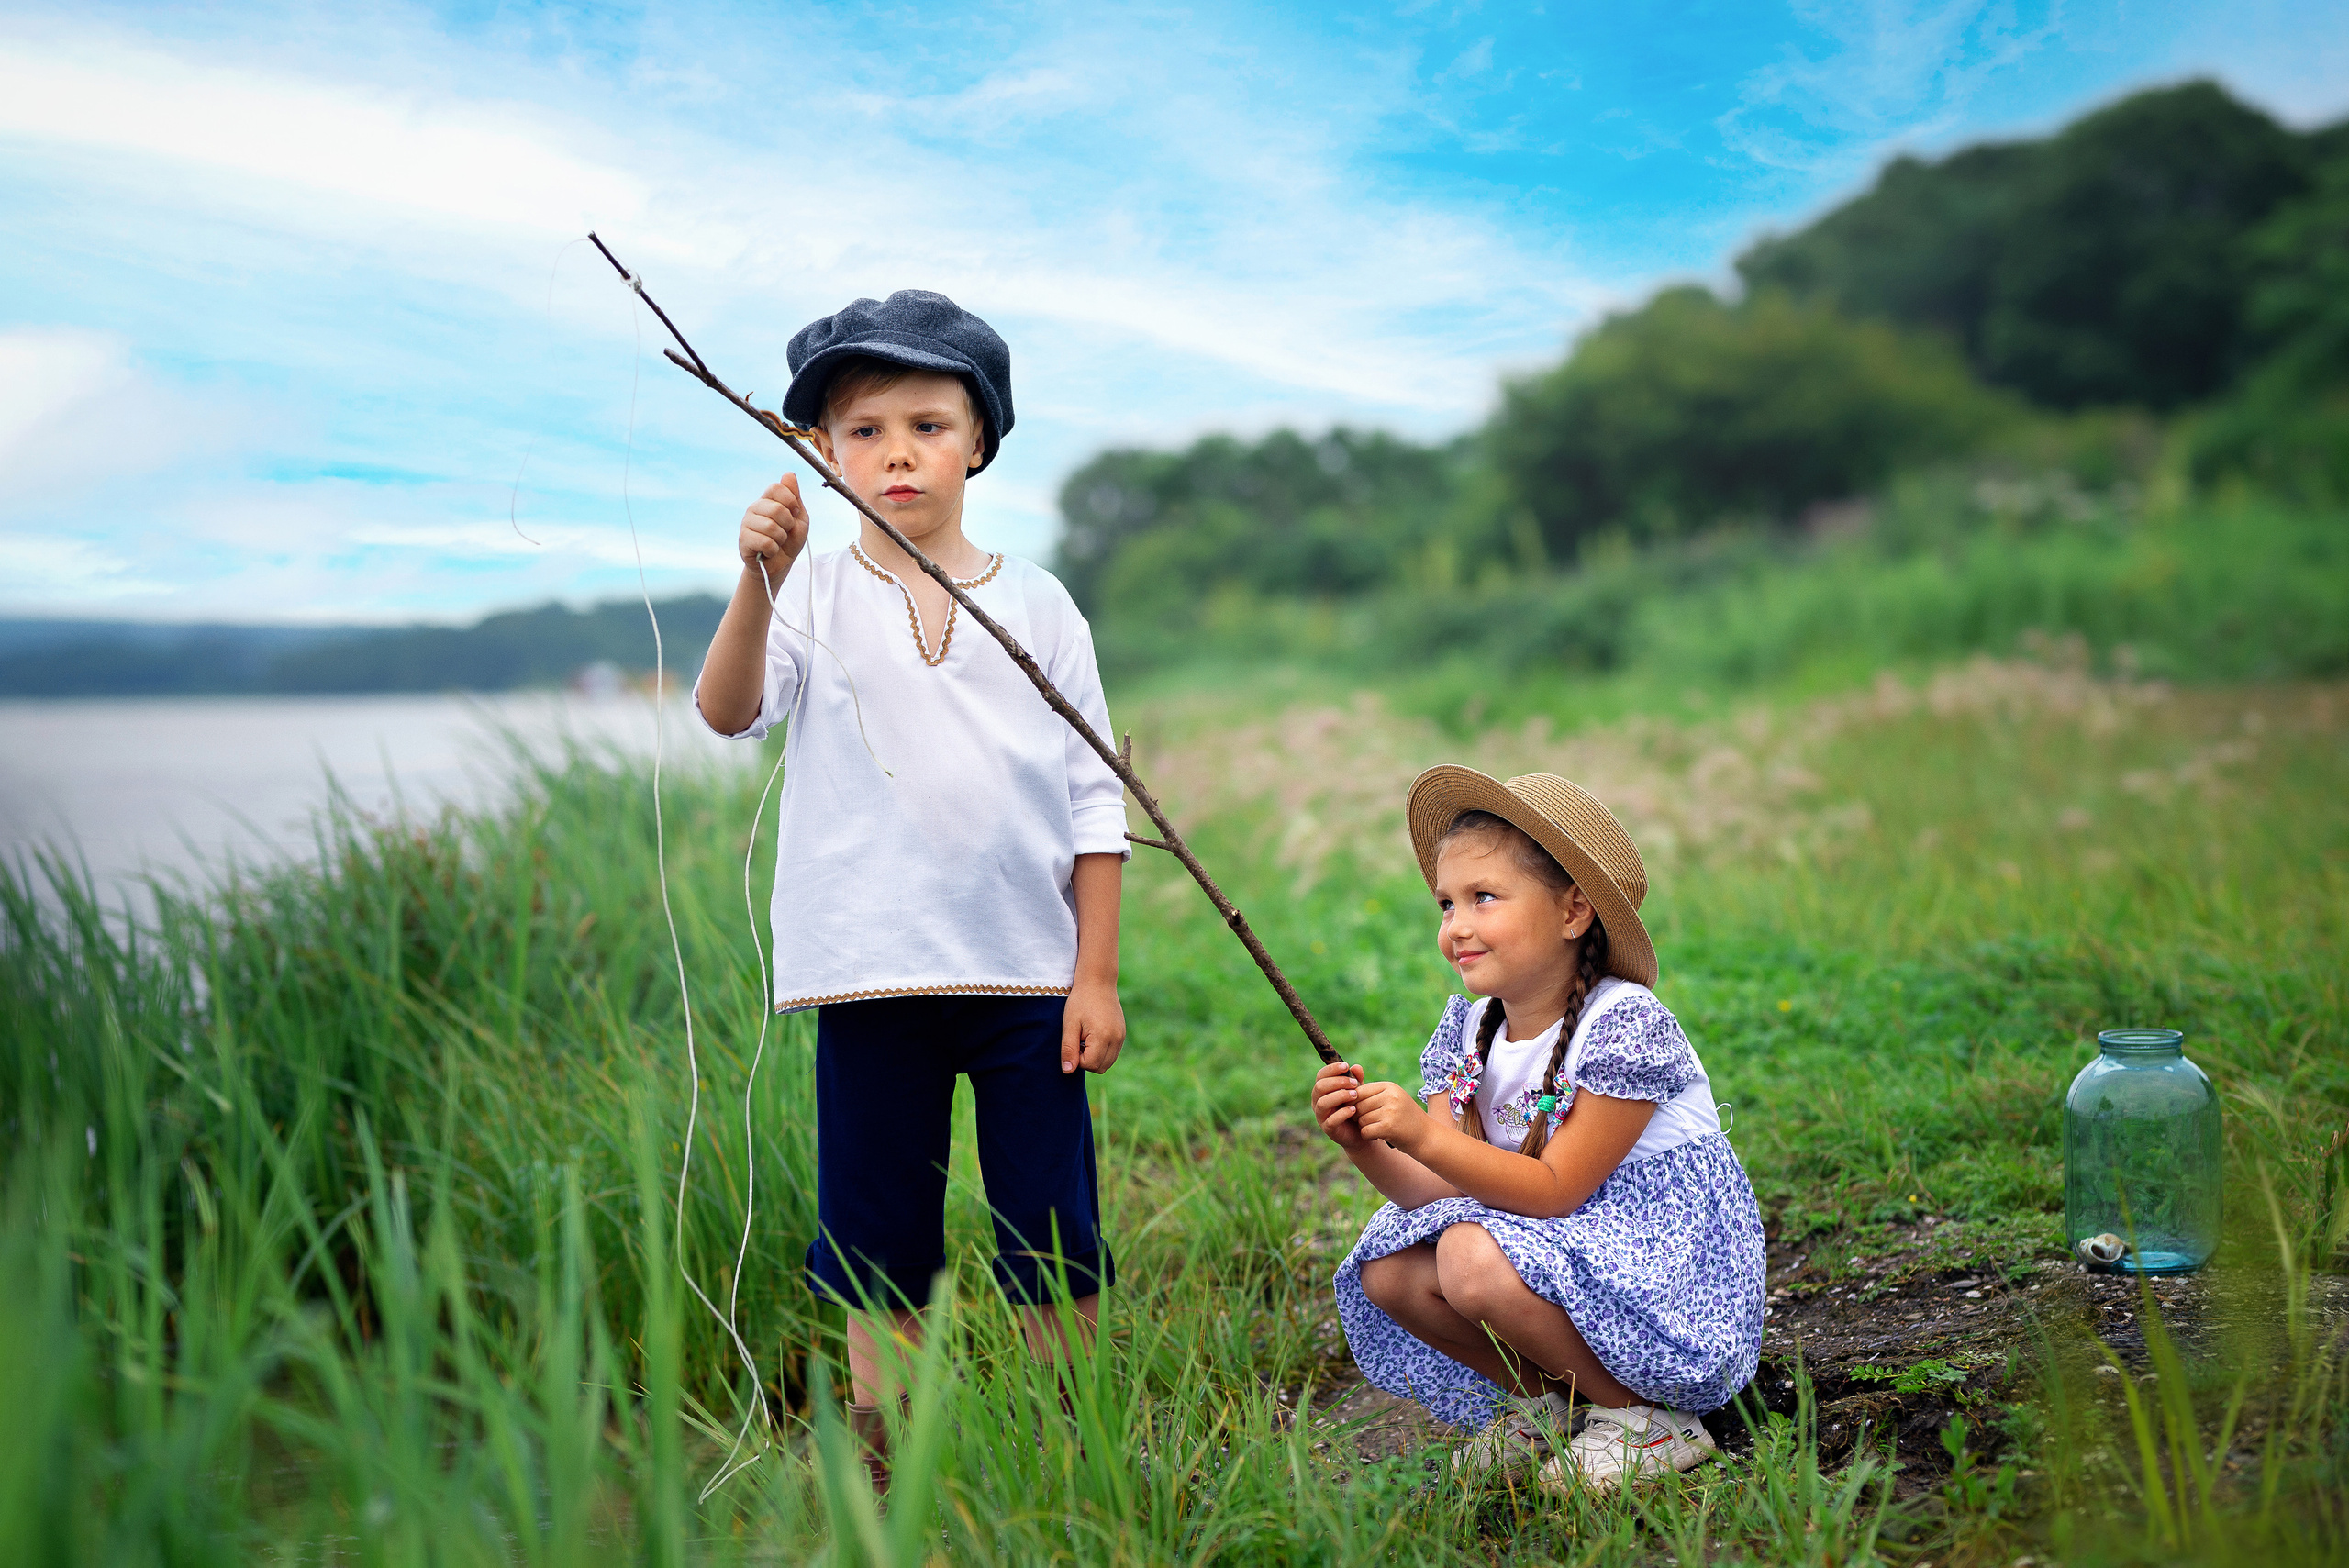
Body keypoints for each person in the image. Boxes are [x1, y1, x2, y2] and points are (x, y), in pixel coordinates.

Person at [696, 290, 1129, 1489]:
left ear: (979, 441)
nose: (898, 452)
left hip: (1028, 974)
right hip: (870, 970)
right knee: (878, 1232)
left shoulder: (1040, 605)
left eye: (929, 424)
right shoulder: (814, 596)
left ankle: (1071, 1434)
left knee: (1050, 1221)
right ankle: (886, 1453)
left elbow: (1100, 798)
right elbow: (729, 711)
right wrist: (758, 578)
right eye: (867, 429)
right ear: (822, 454)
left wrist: (1092, 973)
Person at [1312, 767, 1765, 1492]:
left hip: (1658, 1263)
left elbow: (1556, 1189)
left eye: (1483, 898)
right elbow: (1435, 1190)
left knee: (1466, 1254)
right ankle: (1548, 1405)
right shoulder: (1467, 1032)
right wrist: (1363, 1141)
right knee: (1390, 1268)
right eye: (1445, 902)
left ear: (1574, 910)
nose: (1455, 925)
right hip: (1560, 1245)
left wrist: (1424, 1136)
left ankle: (1646, 1420)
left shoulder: (1624, 1025)